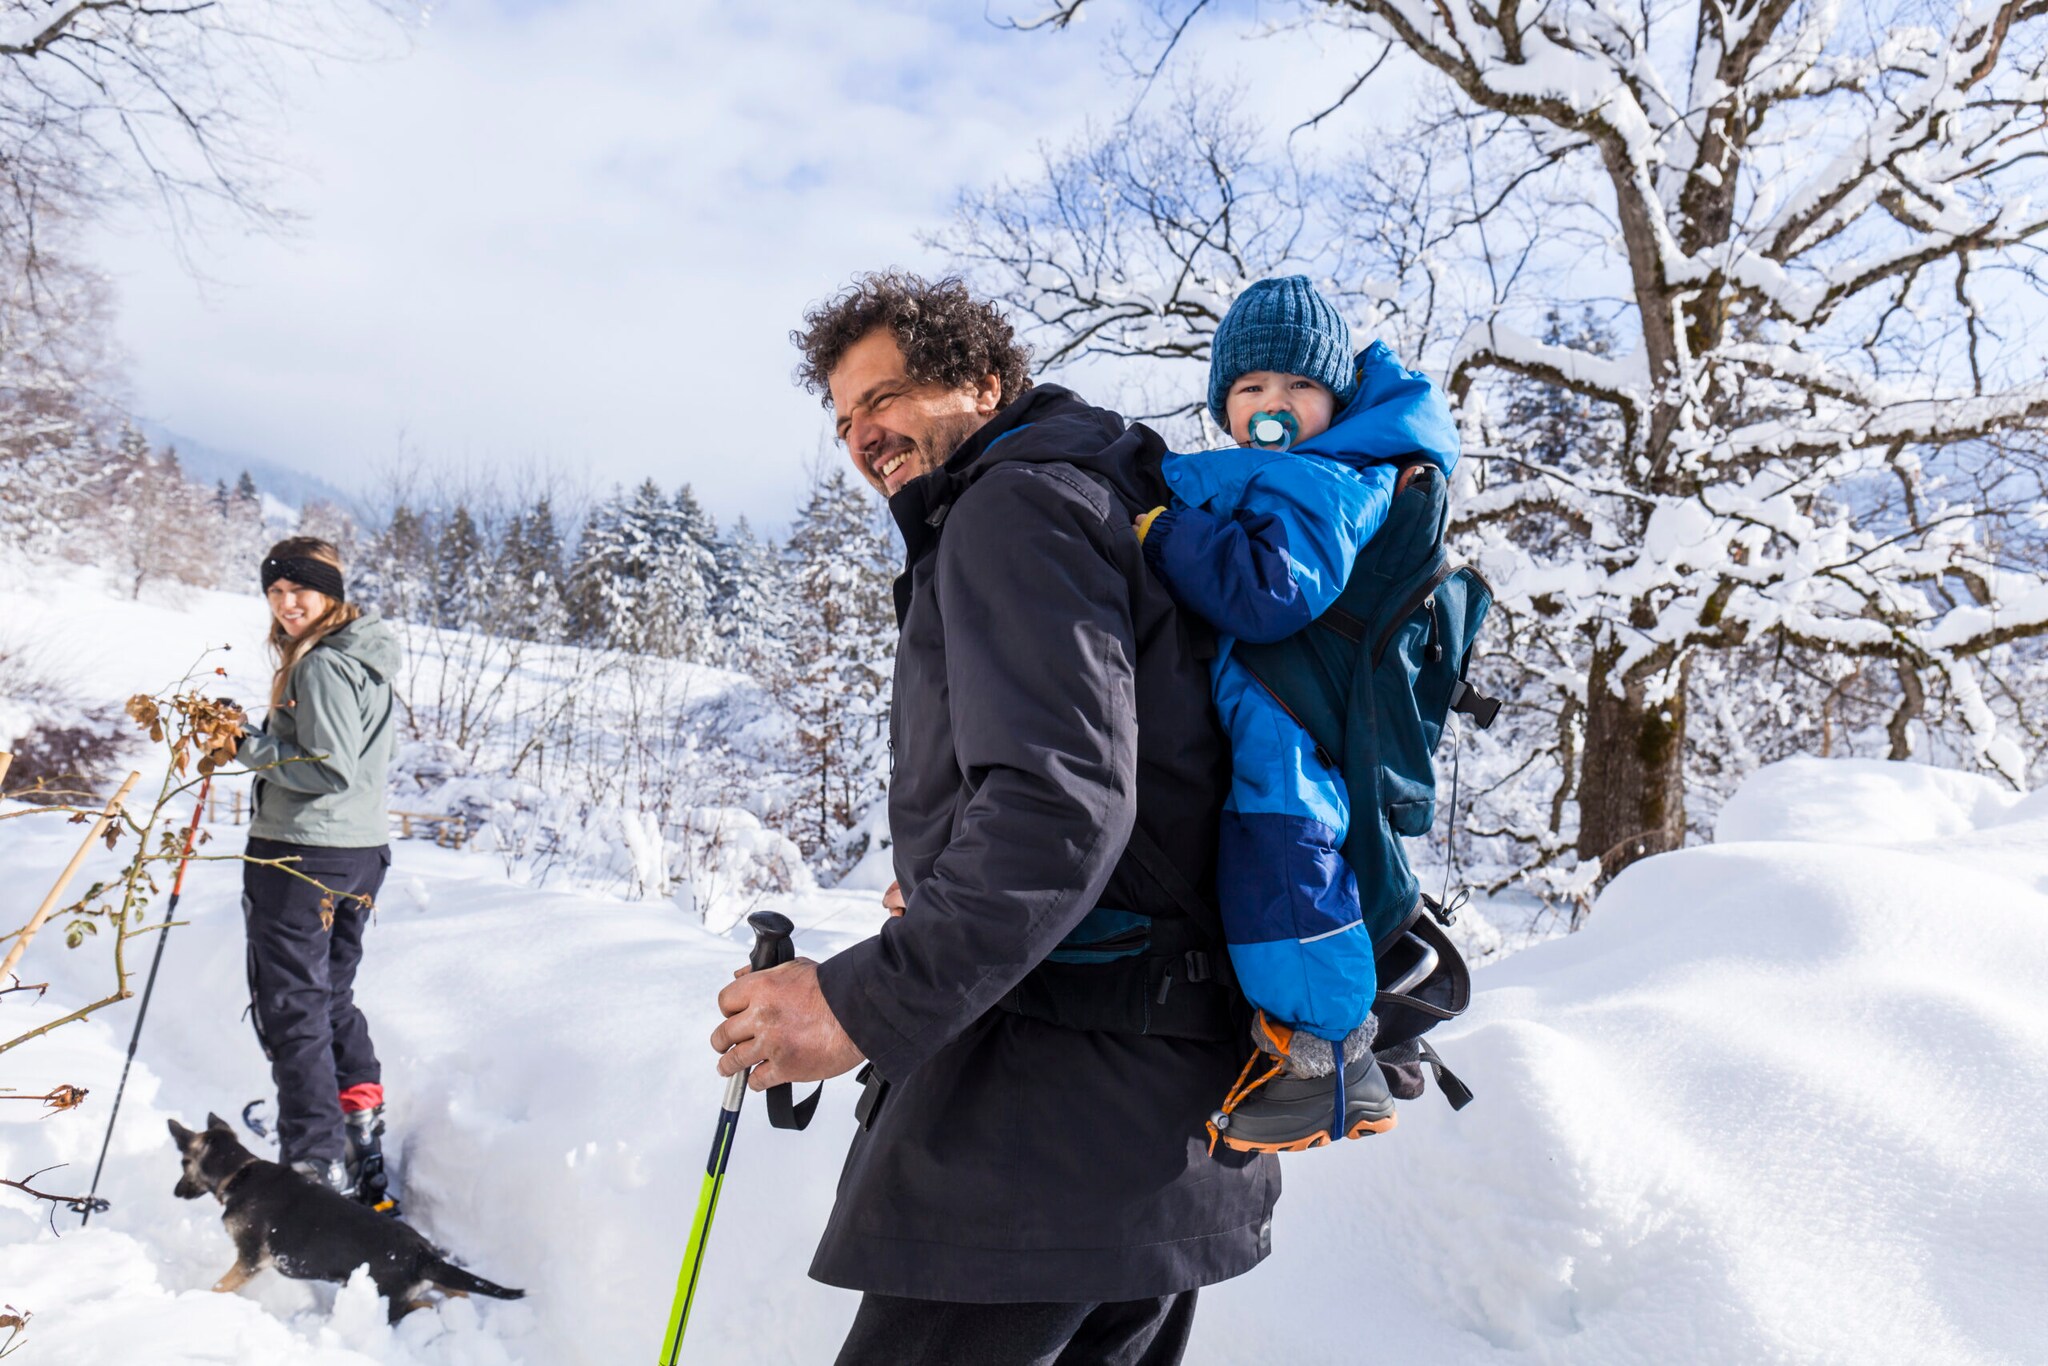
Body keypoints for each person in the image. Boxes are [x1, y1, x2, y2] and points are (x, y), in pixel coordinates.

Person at [709, 273, 1278, 1366]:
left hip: (1042, 1129)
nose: (862, 435)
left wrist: (857, 1003)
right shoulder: (1099, 494)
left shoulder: (1010, 506)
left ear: (982, 380)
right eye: (841, 419)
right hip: (1154, 1119)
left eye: (885, 397)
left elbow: (1059, 809)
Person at [1134, 276, 1459, 1152]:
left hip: (1288, 727)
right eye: (1250, 388)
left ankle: (1326, 1062)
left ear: (1335, 401)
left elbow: (1274, 594)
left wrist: (1165, 533)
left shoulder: (1330, 483)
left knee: (1285, 864)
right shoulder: (1303, 475)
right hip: (1272, 711)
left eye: (1298, 387)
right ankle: (1315, 1048)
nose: (1273, 404)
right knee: (1273, 863)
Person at [235, 536, 401, 1208]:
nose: (286, 601)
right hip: (355, 853)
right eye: (275, 591)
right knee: (328, 998)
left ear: (331, 589)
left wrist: (246, 746)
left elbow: (329, 768)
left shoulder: (324, 666)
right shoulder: (362, 658)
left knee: (293, 1008)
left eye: (300, 586)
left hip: (300, 855)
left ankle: (313, 1164)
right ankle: (356, 1132)